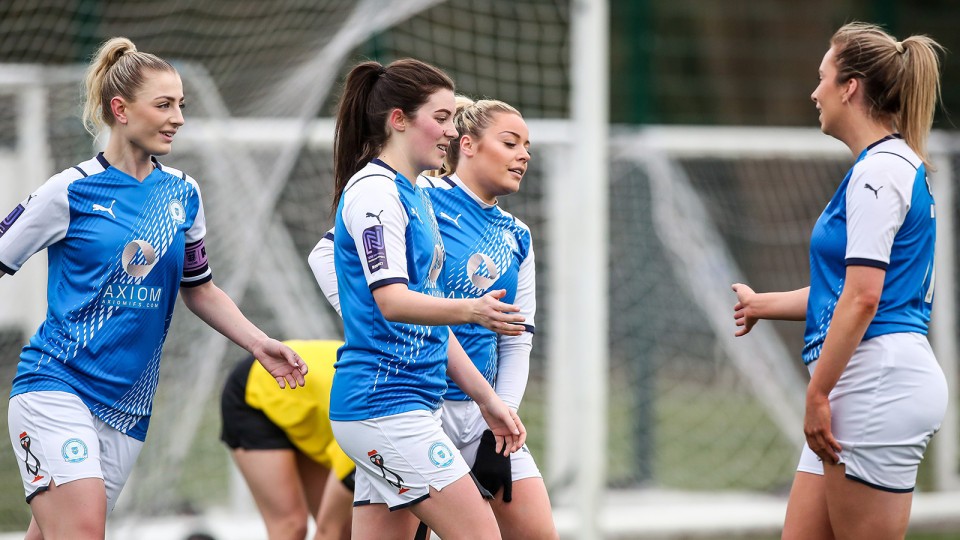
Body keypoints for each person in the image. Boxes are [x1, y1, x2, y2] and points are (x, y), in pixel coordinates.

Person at [0, 37, 307, 540]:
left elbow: (200, 288)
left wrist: (258, 342)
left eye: (180, 105)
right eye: (164, 105)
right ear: (120, 110)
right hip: (56, 388)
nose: (178, 118)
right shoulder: (69, 191)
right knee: (82, 532)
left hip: (128, 408)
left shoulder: (182, 193)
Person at [731, 22, 947, 540]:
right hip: (864, 378)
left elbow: (864, 298)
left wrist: (818, 393)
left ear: (850, 87)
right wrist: (763, 304)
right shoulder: (883, 166)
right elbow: (846, 292)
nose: (814, 92)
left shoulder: (880, 171)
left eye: (823, 77)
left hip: (875, 381)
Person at [311, 96, 557, 539]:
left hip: (485, 414)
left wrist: (497, 417)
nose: (524, 155)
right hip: (416, 402)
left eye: (528, 147)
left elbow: (517, 339)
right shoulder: (417, 196)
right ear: (468, 144)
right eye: (510, 142)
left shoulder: (516, 235)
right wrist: (384, 324)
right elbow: (328, 254)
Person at [221, 339, 353, 540]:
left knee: (345, 530)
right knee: (291, 526)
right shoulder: (372, 440)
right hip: (257, 392)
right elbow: (326, 532)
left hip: (308, 405)